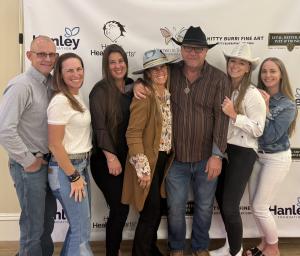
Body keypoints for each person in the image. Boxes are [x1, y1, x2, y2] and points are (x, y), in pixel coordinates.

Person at [134, 26, 231, 256]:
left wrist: (217, 155)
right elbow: (149, 77)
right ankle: (176, 248)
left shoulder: (219, 79)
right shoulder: (169, 72)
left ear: (206, 51)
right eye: (188, 48)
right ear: (182, 49)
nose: (193, 53)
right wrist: (136, 84)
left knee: (205, 207)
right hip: (174, 158)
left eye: (199, 49)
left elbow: (222, 119)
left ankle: (200, 246)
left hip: (206, 157)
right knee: (175, 208)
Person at [0, 35, 57, 256]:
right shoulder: (21, 85)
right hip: (30, 167)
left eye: (51, 54)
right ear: (29, 55)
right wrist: (28, 160)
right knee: (33, 228)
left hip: (49, 164)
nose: (47, 58)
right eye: (41, 54)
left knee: (46, 224)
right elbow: (5, 129)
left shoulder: (52, 83)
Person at [210, 43, 266, 256]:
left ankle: (234, 253)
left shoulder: (252, 94)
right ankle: (233, 246)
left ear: (247, 68)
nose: (235, 65)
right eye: (232, 61)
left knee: (230, 204)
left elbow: (259, 129)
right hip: (225, 151)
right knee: (222, 199)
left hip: (243, 151)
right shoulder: (224, 87)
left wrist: (235, 115)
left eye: (241, 63)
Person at [122, 49, 175, 256]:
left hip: (164, 159)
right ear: (148, 74)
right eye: (154, 69)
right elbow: (133, 133)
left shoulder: (168, 93)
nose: (159, 71)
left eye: (162, 66)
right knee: (150, 210)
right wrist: (142, 168)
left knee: (157, 208)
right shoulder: (144, 95)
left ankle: (150, 249)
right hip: (148, 160)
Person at [245, 57, 297, 256]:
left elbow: (270, 135)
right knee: (255, 205)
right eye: (264, 71)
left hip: (276, 159)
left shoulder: (288, 104)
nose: (268, 75)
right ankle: (263, 244)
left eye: (273, 71)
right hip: (257, 157)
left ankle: (273, 248)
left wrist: (265, 107)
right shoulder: (254, 94)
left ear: (281, 74)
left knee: (260, 206)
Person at [47, 52, 93, 256]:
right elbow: (54, 144)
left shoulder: (75, 96)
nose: (76, 74)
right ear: (60, 74)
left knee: (80, 228)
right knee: (81, 231)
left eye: (79, 69)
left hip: (80, 166)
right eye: (70, 70)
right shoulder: (60, 101)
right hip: (67, 170)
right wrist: (73, 176)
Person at [89, 44, 133, 256]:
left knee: (121, 208)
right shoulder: (100, 91)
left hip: (126, 158)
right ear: (107, 65)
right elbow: (99, 128)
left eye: (121, 61)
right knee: (119, 208)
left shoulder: (132, 86)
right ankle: (111, 253)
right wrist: (111, 157)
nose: (118, 66)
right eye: (112, 62)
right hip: (105, 159)